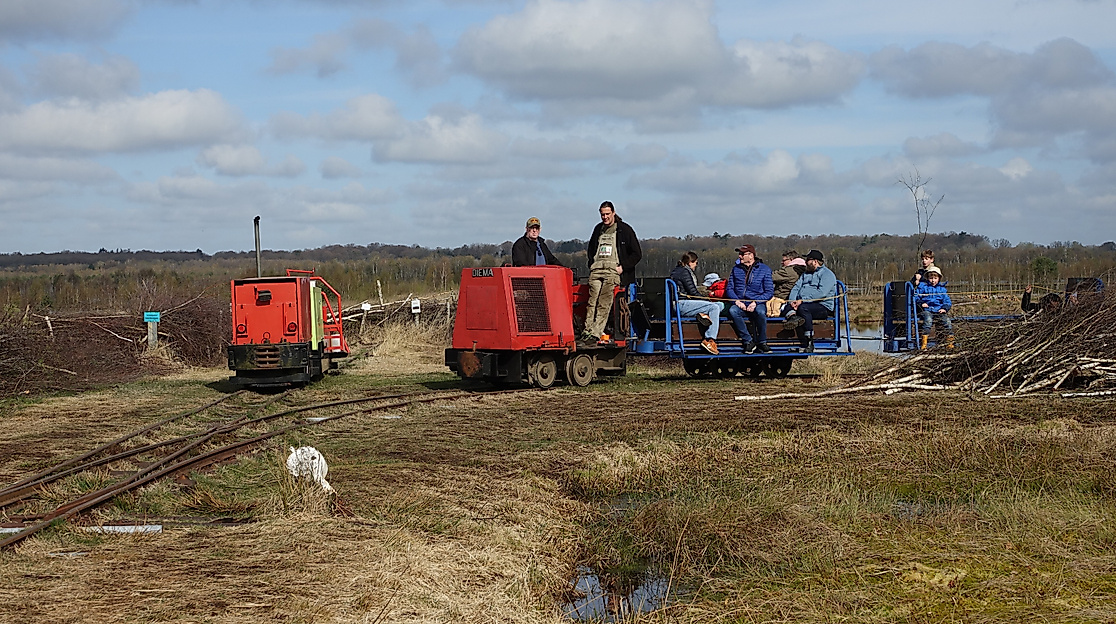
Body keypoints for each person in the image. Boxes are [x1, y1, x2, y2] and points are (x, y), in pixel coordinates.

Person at [582, 201, 642, 342]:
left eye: (607, 214)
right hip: (596, 270)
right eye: (602, 214)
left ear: (613, 213)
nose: (605, 217)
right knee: (592, 301)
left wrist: (622, 267)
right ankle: (587, 330)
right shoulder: (598, 229)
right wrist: (592, 264)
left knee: (604, 301)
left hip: (612, 272)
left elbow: (637, 254)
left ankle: (596, 333)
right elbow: (591, 250)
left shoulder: (624, 230)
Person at [784, 249, 837, 352]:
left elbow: (822, 293)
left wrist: (802, 301)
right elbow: (796, 287)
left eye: (808, 260)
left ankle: (809, 341)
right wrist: (792, 301)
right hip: (801, 304)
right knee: (784, 307)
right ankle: (794, 321)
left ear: (815, 261)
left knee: (804, 309)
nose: (806, 262)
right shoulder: (805, 274)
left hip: (822, 306)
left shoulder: (827, 275)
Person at [724, 243, 773, 354]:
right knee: (733, 311)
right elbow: (730, 289)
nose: (740, 256)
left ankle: (762, 342)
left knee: (761, 312)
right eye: (739, 254)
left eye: (742, 254)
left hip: (757, 302)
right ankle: (748, 341)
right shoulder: (736, 269)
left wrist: (756, 302)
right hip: (740, 302)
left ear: (751, 255)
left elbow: (769, 292)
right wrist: (736, 301)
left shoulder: (764, 270)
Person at [670, 252, 722, 354]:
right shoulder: (684, 272)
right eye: (696, 263)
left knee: (719, 305)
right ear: (690, 262)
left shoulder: (679, 270)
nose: (696, 265)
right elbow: (693, 292)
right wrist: (707, 300)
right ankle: (710, 340)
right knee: (714, 307)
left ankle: (702, 315)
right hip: (681, 303)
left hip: (685, 302)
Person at [915, 266, 953, 349]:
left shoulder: (941, 289)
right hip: (927, 310)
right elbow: (916, 297)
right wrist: (921, 303)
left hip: (939, 310)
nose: (933, 280)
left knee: (947, 321)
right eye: (931, 278)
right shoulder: (923, 287)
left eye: (935, 278)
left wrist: (944, 308)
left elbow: (947, 301)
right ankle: (924, 344)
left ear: (939, 278)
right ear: (927, 278)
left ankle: (950, 343)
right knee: (928, 320)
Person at [768, 249, 807, 317]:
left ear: (791, 259)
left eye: (784, 260)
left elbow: (770, 277)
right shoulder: (803, 269)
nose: (781, 262)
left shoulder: (788, 271)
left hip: (781, 297)